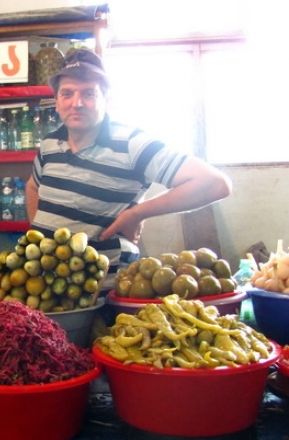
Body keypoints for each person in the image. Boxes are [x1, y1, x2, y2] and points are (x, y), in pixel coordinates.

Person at [26, 49, 232, 292]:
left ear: (106, 98)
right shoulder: (50, 144)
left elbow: (214, 183)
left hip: (102, 294)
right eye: (67, 94)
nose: (77, 103)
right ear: (57, 101)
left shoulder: (132, 144)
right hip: (45, 289)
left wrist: (137, 214)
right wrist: (37, 236)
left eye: (89, 93)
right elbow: (32, 186)